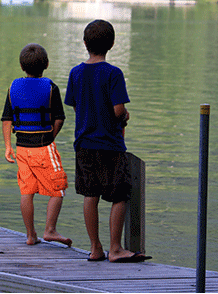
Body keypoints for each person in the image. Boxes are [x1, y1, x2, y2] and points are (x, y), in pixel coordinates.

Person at [64, 19, 151, 262]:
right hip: (110, 145)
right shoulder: (113, 73)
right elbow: (117, 110)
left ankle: (95, 248)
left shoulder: (75, 73)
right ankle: (115, 248)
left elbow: (75, 106)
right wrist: (125, 115)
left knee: (90, 195)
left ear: (84, 43)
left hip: (84, 144)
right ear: (112, 44)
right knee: (119, 195)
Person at [1, 43, 72, 247]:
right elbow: (59, 118)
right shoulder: (51, 87)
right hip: (43, 146)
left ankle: (31, 235)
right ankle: (49, 230)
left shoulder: (13, 87)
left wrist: (8, 146)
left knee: (26, 192)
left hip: (21, 148)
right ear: (47, 65)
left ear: (22, 66)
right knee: (58, 189)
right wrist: (51, 136)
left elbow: (7, 119)